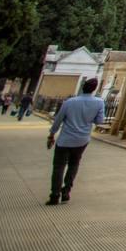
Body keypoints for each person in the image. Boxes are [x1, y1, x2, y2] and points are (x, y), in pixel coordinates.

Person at [45, 78, 105, 206]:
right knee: (74, 164)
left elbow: (58, 120)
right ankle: (66, 191)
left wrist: (51, 135)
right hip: (82, 139)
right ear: (94, 89)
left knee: (59, 166)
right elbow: (99, 121)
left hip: (65, 139)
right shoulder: (99, 103)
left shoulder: (70, 102)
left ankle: (54, 195)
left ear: (83, 87)